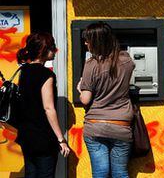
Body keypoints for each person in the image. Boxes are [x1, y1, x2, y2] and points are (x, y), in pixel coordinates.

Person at [77, 22, 135, 178]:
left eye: (88, 40)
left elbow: (85, 99)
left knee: (101, 173)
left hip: (96, 126)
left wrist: (80, 88)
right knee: (120, 173)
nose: (85, 43)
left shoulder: (91, 64)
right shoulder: (127, 60)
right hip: (121, 126)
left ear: (97, 42)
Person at [15, 32, 70, 178]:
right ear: (43, 50)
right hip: (43, 137)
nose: (55, 51)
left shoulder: (24, 71)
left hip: (26, 135)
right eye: (52, 47)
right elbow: (48, 108)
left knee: (31, 173)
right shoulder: (46, 75)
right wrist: (61, 139)